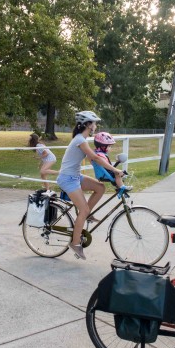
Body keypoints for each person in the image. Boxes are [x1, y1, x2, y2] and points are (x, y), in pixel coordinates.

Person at [56, 111, 124, 260]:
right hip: (67, 179)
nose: (95, 126)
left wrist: (109, 175)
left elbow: (95, 160)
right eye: (94, 123)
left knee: (100, 188)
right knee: (84, 209)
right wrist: (115, 170)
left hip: (75, 176)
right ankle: (75, 243)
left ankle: (86, 215)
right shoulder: (80, 140)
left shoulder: (82, 140)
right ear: (87, 124)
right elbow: (93, 157)